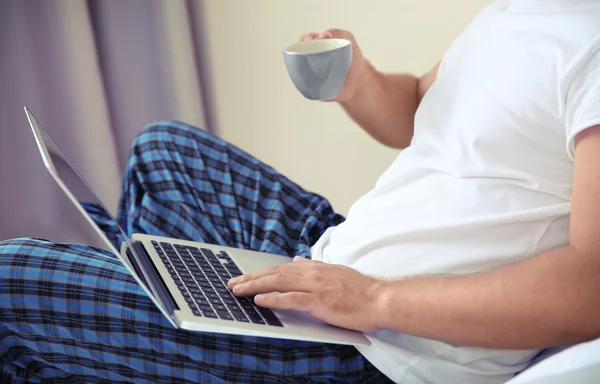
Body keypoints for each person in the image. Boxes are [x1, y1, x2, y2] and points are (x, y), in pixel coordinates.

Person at [2, 0, 600, 383]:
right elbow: (420, 108)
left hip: (387, 351)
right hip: (339, 271)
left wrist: (371, 299)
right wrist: (358, 83)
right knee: (167, 153)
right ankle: (163, 340)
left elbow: (588, 290)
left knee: (11, 281)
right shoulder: (515, 12)